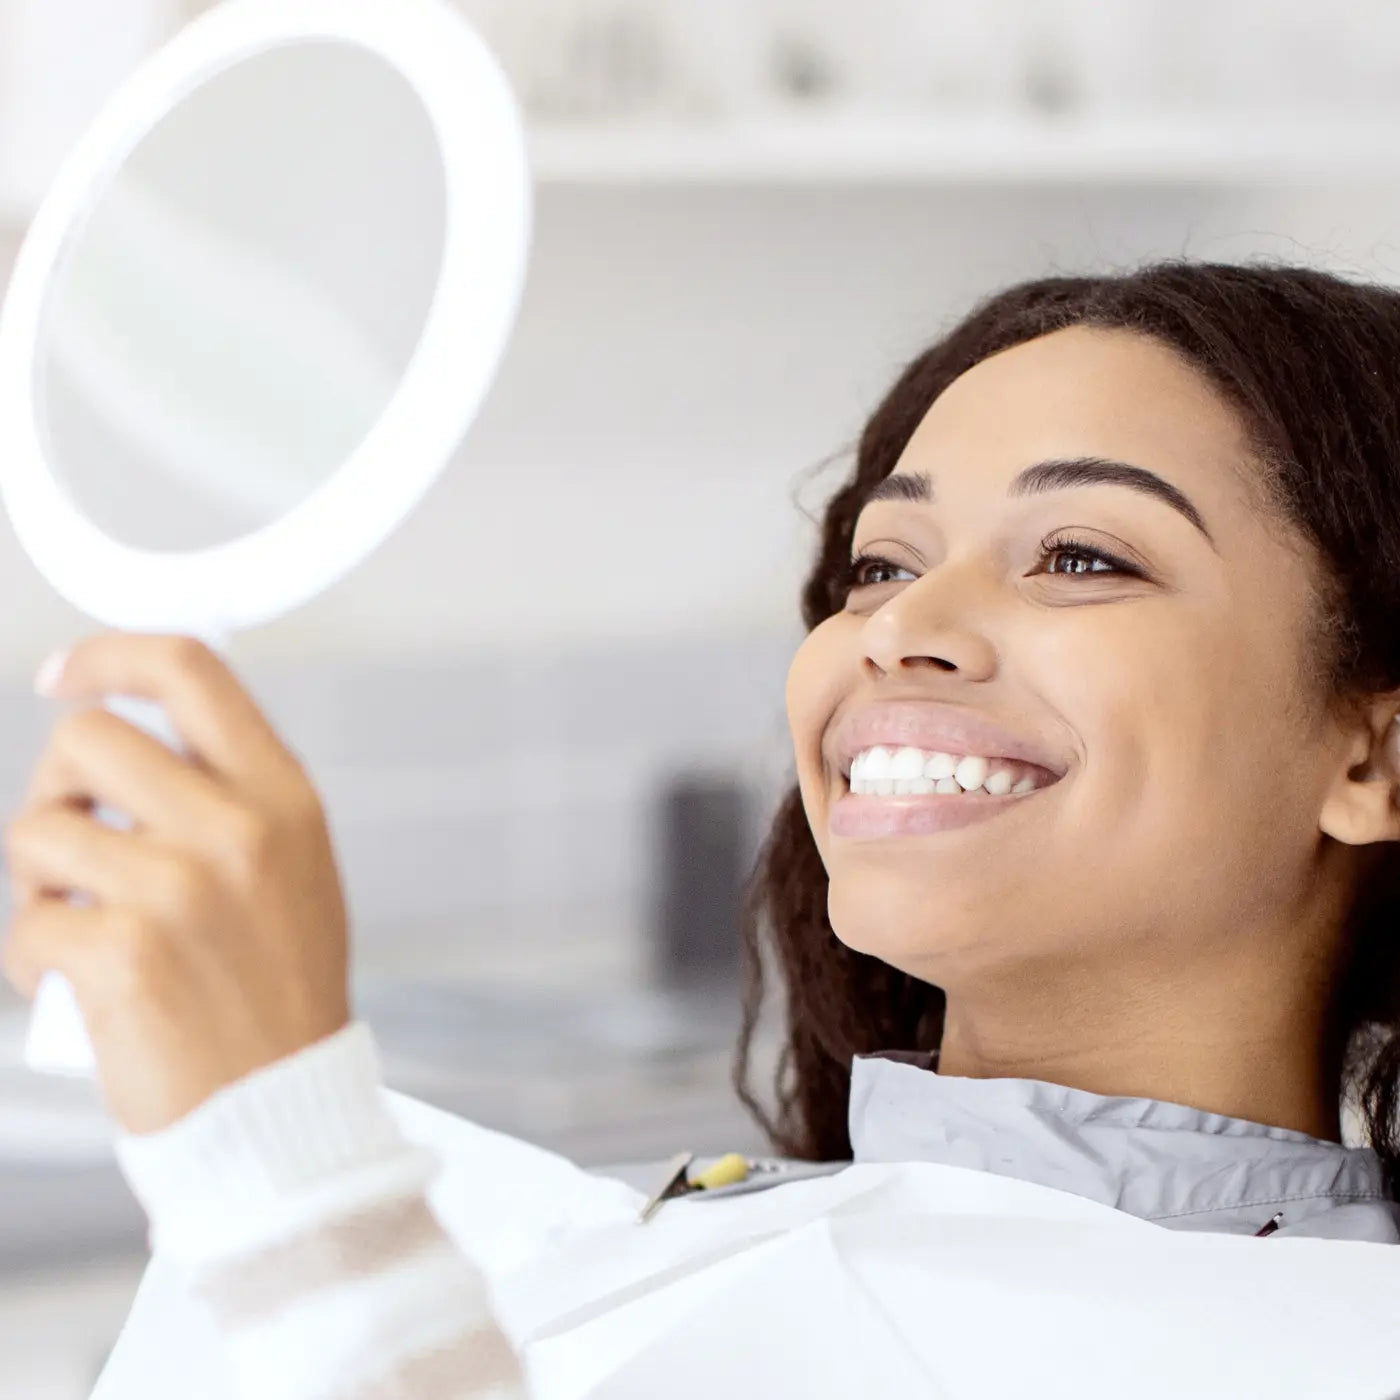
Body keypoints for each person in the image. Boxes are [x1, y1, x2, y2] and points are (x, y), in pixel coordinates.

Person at [7, 260, 1400, 1400]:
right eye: (879, 563)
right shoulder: (606, 1228)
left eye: (1082, 556)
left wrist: (292, 1189)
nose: (899, 627)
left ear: (1372, 753)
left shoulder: (1326, 1344)